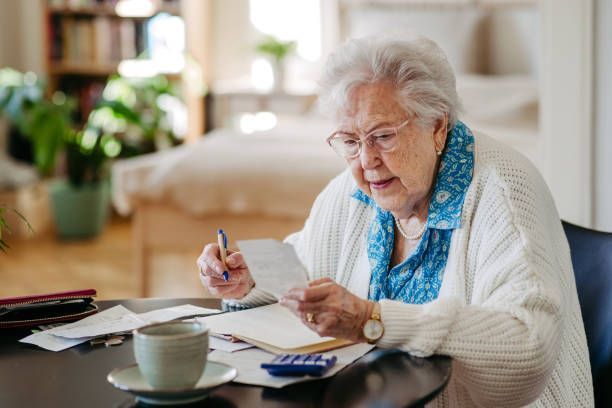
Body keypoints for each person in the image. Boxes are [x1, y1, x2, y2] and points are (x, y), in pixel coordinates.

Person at [197, 35, 593, 406]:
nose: (366, 161)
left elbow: (527, 349)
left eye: (383, 136)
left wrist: (374, 320)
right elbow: (306, 267)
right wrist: (248, 278)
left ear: (437, 127)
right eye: (350, 142)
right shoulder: (354, 191)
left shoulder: (501, 192)